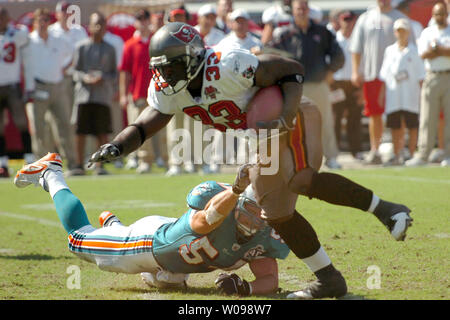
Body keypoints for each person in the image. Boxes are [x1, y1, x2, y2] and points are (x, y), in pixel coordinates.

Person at [88, 22, 413, 299]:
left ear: (192, 58)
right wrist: (117, 145)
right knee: (277, 214)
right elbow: (150, 119)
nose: (164, 73)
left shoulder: (227, 63)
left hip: (295, 114)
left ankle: (388, 210)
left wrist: (285, 116)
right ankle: (329, 280)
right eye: (160, 67)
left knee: (300, 180)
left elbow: (292, 71)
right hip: (264, 136)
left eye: (171, 66)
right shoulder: (171, 88)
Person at [14, 154, 294, 296]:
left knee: (171, 284)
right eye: (247, 214)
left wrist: (246, 289)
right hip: (147, 244)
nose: (253, 222)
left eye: (260, 216)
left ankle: (113, 225)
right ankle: (51, 173)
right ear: (235, 206)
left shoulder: (266, 231)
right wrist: (234, 191)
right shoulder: (215, 206)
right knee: (77, 239)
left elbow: (270, 280)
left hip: (176, 258)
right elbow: (207, 219)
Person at [269, 0, 345, 169]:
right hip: (293, 88)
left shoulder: (322, 31)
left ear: (308, 10)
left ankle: (331, 157)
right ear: (293, 11)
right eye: (298, 8)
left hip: (318, 85)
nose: (301, 11)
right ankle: (289, 159)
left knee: (325, 121)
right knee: (290, 124)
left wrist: (331, 71)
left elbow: (339, 55)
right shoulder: (284, 34)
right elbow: (270, 54)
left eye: (304, 8)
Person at [350, 0, 413, 165]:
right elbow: (356, 47)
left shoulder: (400, 18)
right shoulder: (365, 18)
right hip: (372, 75)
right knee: (374, 114)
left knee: (397, 114)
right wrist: (356, 71)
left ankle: (398, 151)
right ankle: (375, 150)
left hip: (395, 77)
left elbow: (410, 48)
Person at [23, 8, 77, 172]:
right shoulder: (29, 41)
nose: (43, 24)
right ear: (34, 23)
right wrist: (28, 88)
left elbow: (73, 54)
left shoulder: (58, 39)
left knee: (65, 126)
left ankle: (73, 164)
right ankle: (42, 166)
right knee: (40, 129)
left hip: (58, 86)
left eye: (46, 20)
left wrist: (64, 68)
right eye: (40, 20)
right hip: (37, 87)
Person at [120, 9, 166, 174]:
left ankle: (162, 158)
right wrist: (124, 94)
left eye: (145, 18)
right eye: (139, 19)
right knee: (139, 129)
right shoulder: (129, 45)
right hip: (138, 92)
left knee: (161, 129)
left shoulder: (158, 42)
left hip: (158, 92)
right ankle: (144, 160)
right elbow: (125, 72)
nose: (143, 22)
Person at [71, 12, 117, 175]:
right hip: (83, 96)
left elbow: (113, 74)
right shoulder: (81, 47)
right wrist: (86, 78)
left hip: (101, 96)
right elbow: (75, 72)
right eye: (95, 24)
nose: (98, 27)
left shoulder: (110, 49)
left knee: (102, 132)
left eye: (102, 24)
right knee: (80, 131)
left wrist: (102, 78)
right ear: (89, 26)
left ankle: (100, 166)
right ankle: (78, 165)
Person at [406, 2, 450, 167]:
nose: (440, 17)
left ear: (446, 14)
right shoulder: (427, 32)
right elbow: (423, 54)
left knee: (449, 118)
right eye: (437, 14)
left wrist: (439, 50)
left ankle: (448, 153)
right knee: (427, 117)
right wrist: (440, 50)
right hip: (431, 76)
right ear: (433, 15)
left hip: (448, 75)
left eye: (442, 13)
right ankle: (423, 154)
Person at [378, 18, 425, 166]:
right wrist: (381, 94)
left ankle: (411, 154)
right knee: (395, 126)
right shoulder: (389, 51)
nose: (401, 34)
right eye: (398, 31)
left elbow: (421, 76)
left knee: (412, 125)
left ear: (408, 32)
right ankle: (397, 154)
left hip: (410, 94)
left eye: (403, 31)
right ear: (395, 33)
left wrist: (422, 95)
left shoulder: (415, 51)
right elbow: (384, 75)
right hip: (394, 95)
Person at [0, 7, 33, 177]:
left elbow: (25, 36)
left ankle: (29, 158)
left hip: (12, 85)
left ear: (8, 18)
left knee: (21, 123)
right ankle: (2, 163)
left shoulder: (16, 33)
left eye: (2, 16)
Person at [331, 10, 363, 160]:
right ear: (339, 21)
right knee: (335, 119)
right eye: (345, 20)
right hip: (337, 84)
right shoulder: (334, 40)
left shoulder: (358, 40)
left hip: (354, 83)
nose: (347, 23)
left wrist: (361, 88)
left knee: (355, 119)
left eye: (350, 20)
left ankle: (356, 150)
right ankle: (334, 152)